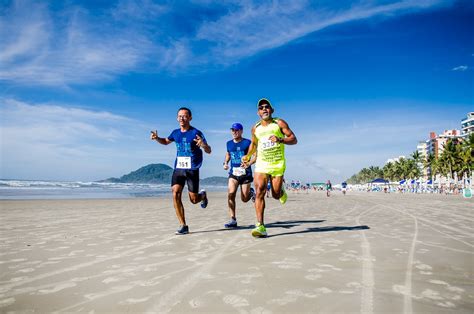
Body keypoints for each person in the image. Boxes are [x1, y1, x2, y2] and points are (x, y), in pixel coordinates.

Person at [150, 107, 211, 235]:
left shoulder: (196, 132)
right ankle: (183, 225)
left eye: (184, 116)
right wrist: (157, 138)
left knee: (193, 199)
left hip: (192, 169)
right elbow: (166, 142)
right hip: (179, 168)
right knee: (175, 193)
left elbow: (209, 150)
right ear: (177, 118)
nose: (182, 118)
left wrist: (203, 145)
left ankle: (203, 196)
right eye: (180, 116)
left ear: (190, 118)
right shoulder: (175, 133)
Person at [242, 98, 297, 237]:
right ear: (258, 112)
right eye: (261, 108)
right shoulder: (255, 128)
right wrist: (248, 156)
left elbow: (293, 139)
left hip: (277, 163)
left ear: (272, 110)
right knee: (259, 190)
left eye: (267, 107)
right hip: (262, 163)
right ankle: (260, 226)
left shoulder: (279, 123)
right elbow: (254, 144)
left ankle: (280, 191)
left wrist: (280, 139)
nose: (264, 109)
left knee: (275, 194)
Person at [223, 123, 256, 228]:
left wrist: (249, 163)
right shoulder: (228, 143)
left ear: (241, 131)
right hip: (233, 173)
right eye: (232, 130)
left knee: (244, 199)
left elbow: (255, 155)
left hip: (245, 174)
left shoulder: (247, 143)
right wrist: (225, 163)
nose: (234, 132)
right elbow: (228, 153)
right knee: (230, 194)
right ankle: (233, 219)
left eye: (236, 130)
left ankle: (250, 192)